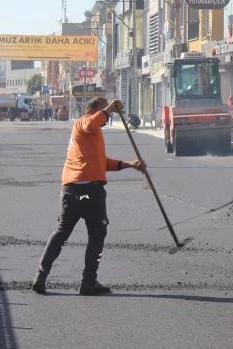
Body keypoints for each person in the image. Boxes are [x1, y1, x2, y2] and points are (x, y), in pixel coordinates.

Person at [30, 97, 146, 296]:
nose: (107, 118)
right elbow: (92, 122)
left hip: (73, 193)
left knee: (61, 232)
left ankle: (41, 276)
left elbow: (101, 163)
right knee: (97, 233)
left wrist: (128, 164)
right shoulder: (83, 123)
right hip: (88, 194)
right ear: (95, 109)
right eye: (104, 112)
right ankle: (88, 281)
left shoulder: (90, 136)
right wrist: (110, 107)